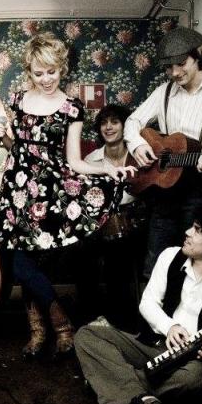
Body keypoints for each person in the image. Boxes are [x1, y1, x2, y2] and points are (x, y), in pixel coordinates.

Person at [0, 32, 135, 359]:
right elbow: (18, 149)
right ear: (29, 72)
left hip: (51, 192)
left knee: (30, 261)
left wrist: (107, 169)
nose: (46, 79)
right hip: (17, 190)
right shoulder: (17, 100)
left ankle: (52, 327)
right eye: (38, 73)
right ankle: (50, 325)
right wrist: (3, 136)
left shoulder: (72, 108)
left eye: (52, 71)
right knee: (17, 259)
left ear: (62, 68)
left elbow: (74, 161)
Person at [75, 202, 202, 404]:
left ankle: (119, 383)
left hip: (190, 362)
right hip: (151, 346)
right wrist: (170, 327)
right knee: (87, 335)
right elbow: (147, 303)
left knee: (199, 377)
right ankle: (137, 392)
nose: (188, 232)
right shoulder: (170, 256)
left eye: (197, 230)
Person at [124, 26, 202, 278]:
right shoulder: (163, 92)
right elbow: (132, 121)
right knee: (155, 265)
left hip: (198, 192)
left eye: (181, 64)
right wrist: (138, 145)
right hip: (164, 192)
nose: (175, 73)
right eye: (169, 67)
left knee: (192, 267)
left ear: (197, 56)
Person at [75, 104, 146, 332]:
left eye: (114, 122)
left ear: (125, 127)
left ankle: (122, 322)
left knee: (118, 256)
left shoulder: (138, 155)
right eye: (104, 123)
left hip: (136, 223)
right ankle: (89, 319)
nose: (108, 127)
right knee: (82, 253)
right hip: (102, 223)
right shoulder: (91, 159)